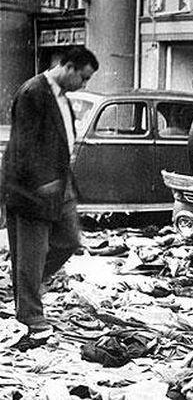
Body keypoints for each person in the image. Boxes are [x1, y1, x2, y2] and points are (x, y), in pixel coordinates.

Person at [0, 47, 98, 339]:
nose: (84, 84)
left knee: (69, 240)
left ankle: (25, 285)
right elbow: (23, 144)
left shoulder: (62, 96)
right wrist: (40, 181)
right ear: (68, 67)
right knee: (32, 253)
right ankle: (30, 315)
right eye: (83, 77)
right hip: (32, 188)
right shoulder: (33, 92)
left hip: (59, 184)